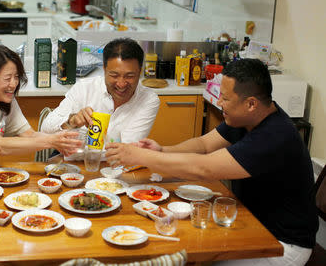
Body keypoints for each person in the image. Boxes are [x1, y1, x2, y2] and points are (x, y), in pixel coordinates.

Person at [106, 58, 318, 266]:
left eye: (225, 98)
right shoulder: (248, 116)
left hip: (281, 244)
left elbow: (203, 169)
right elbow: (203, 145)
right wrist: (162, 150)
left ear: (251, 103)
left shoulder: (273, 136)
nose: (219, 102)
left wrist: (140, 157)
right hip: (249, 221)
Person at [41, 38, 160, 153]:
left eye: (129, 76)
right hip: (73, 162)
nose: (121, 84)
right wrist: (72, 121)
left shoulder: (148, 100)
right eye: (114, 75)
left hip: (116, 165)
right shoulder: (84, 88)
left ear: (140, 71)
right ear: (104, 68)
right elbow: (45, 130)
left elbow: (127, 148)